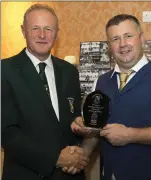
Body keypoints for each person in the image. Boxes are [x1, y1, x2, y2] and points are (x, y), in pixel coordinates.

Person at [71, 14, 151, 180]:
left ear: (141, 38)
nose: (123, 44)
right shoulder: (100, 82)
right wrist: (82, 153)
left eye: (128, 36)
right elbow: (95, 130)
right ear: (110, 46)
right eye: (115, 39)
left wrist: (131, 135)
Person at [1, 4, 89, 180]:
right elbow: (6, 133)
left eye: (48, 29)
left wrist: (78, 134)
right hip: (26, 174)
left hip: (70, 174)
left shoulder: (70, 71)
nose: (42, 35)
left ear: (56, 33)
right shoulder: (4, 71)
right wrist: (55, 159)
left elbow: (74, 116)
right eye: (35, 28)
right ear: (23, 31)